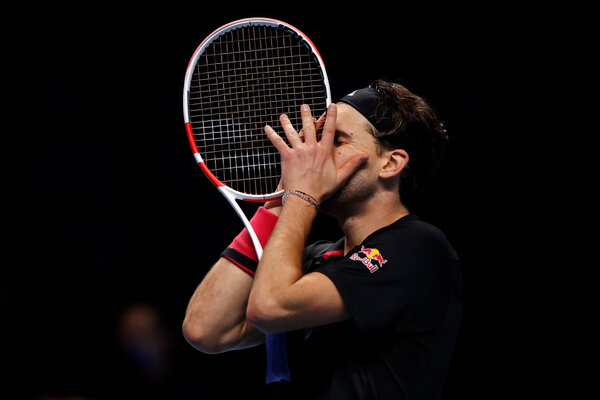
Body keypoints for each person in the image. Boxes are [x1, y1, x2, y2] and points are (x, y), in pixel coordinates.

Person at [182, 79, 462, 399]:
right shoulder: (315, 260)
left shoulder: (420, 247)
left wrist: (301, 193)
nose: (314, 152)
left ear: (390, 163)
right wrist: (278, 200)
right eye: (317, 137)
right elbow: (205, 329)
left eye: (336, 139)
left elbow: (271, 306)